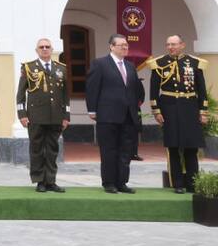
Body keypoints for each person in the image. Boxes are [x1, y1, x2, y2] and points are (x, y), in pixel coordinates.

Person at [85, 34, 145, 194]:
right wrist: (92, 109)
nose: (125, 48)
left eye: (126, 45)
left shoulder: (130, 66)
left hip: (128, 116)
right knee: (109, 150)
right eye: (121, 45)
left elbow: (136, 89)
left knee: (126, 151)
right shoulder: (100, 64)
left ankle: (122, 182)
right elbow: (92, 88)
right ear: (111, 46)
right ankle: (109, 183)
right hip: (107, 115)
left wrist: (135, 107)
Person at [149, 35, 208, 193]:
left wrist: (203, 112)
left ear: (182, 44)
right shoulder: (159, 64)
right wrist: (157, 111)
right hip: (169, 108)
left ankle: (193, 182)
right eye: (168, 44)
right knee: (173, 147)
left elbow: (201, 90)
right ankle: (178, 184)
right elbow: (153, 91)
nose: (170, 47)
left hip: (190, 108)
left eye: (174, 44)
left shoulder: (194, 63)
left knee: (191, 147)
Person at [16, 38, 71, 193]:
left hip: (55, 116)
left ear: (52, 49)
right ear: (37, 50)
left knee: (53, 149)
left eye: (47, 47)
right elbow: (20, 94)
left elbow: (65, 94)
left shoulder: (61, 68)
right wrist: (22, 114)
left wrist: (66, 115)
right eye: (42, 47)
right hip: (36, 116)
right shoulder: (28, 68)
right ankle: (40, 180)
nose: (45, 49)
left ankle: (51, 180)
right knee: (37, 149)